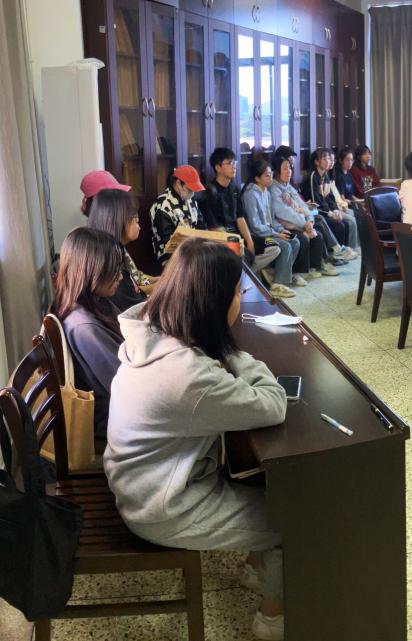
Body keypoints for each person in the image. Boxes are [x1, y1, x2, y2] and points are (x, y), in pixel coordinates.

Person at [104, 238, 288, 641]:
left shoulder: (152, 332)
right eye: (237, 293)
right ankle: (271, 619)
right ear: (214, 303)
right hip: (161, 507)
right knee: (291, 519)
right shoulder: (189, 377)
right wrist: (236, 355)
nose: (239, 301)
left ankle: (256, 569)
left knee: (259, 479)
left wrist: (220, 349)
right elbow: (273, 405)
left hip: (138, 482)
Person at [53, 227, 125, 441]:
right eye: (114, 271)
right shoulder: (84, 327)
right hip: (112, 417)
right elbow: (124, 384)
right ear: (91, 271)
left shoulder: (94, 302)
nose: (121, 276)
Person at [201, 148, 277, 272]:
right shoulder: (210, 191)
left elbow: (240, 218)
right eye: (229, 163)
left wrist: (250, 242)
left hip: (238, 236)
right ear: (218, 168)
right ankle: (246, 272)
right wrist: (236, 242)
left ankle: (246, 271)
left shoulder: (234, 189)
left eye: (234, 162)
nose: (234, 166)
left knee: (274, 247)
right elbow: (213, 227)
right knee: (242, 255)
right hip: (223, 239)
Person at [268, 155, 338, 277]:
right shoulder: (274, 189)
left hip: (301, 223)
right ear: (277, 171)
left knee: (317, 233)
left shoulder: (288, 186)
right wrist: (304, 223)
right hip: (285, 226)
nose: (289, 171)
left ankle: (316, 267)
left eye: (290, 168)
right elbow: (284, 213)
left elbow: (303, 205)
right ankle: (299, 273)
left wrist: (309, 221)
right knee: (303, 238)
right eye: (285, 168)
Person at [86, 189, 156, 310]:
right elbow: (134, 309)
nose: (139, 225)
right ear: (119, 220)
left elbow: (137, 278)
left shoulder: (116, 249)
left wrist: (162, 281)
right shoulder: (111, 263)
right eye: (135, 219)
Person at [242, 158, 301, 297]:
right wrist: (275, 234)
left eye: (271, 174)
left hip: (270, 233)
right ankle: (278, 285)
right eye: (267, 176)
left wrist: (280, 229)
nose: (271, 178)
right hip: (258, 237)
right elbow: (255, 226)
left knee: (294, 241)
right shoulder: (251, 194)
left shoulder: (266, 192)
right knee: (284, 245)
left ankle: (277, 274)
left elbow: (272, 219)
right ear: (257, 178)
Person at [304, 148, 359, 261]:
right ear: (317, 162)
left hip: (327, 211)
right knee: (339, 224)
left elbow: (330, 198)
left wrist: (335, 210)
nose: (328, 161)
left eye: (329, 159)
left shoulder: (326, 176)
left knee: (345, 222)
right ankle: (337, 253)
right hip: (314, 212)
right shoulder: (313, 176)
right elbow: (316, 202)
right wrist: (330, 213)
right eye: (324, 159)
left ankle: (345, 250)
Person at [150, 165, 207, 267]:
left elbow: (202, 226)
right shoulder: (163, 205)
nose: (192, 193)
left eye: (194, 190)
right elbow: (168, 241)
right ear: (178, 183)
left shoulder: (190, 200)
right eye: (189, 189)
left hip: (192, 250)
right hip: (170, 256)